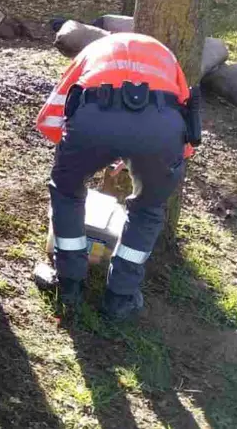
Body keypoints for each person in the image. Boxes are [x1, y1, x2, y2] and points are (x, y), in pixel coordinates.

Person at [36, 32, 201, 321]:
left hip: (92, 121)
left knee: (67, 192)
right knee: (148, 209)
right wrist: (136, 152)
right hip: (161, 131)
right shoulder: (167, 58)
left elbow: (50, 120)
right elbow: (187, 133)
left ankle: (69, 284)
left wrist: (94, 150)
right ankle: (121, 297)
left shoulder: (93, 51)